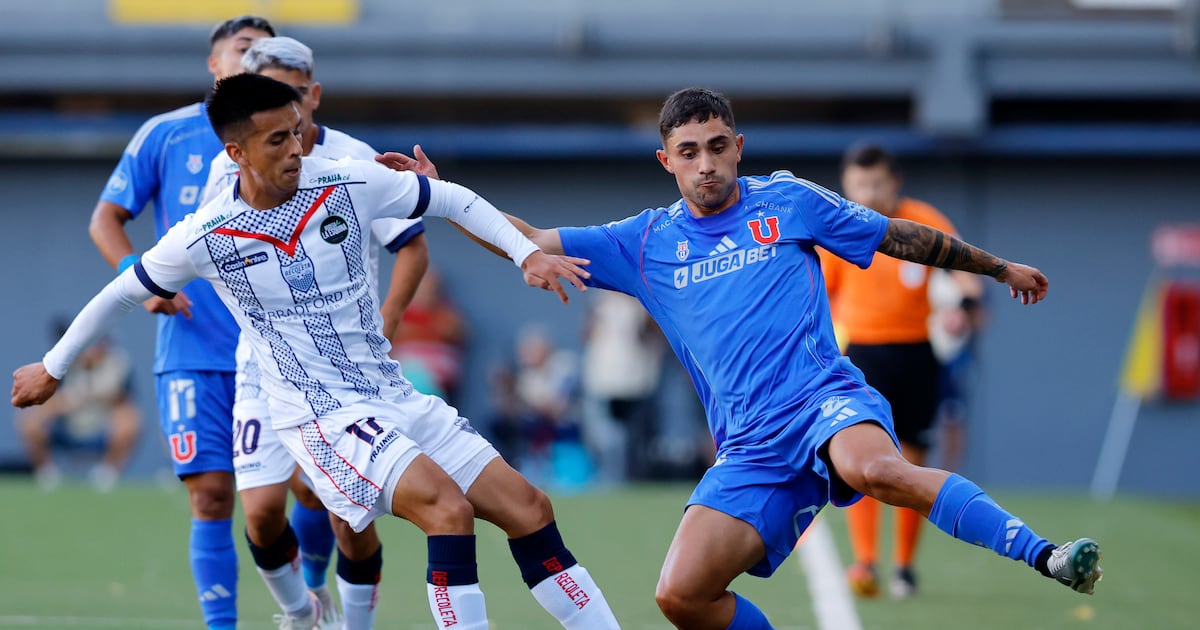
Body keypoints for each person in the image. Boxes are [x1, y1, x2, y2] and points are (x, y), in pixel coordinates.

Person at [383, 87, 1102, 629]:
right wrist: (442, 199)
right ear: (666, 161)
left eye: (718, 145)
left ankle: (1046, 555)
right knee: (681, 595)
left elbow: (898, 237)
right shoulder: (643, 242)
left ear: (738, 146)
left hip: (825, 399)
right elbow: (533, 240)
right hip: (749, 446)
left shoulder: (788, 200)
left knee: (874, 467)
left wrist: (998, 267)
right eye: (689, 151)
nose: (706, 162)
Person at [13, 73, 620, 630]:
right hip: (322, 417)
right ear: (236, 154)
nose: (296, 150)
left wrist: (527, 253)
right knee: (446, 510)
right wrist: (52, 367)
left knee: (529, 506)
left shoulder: (347, 181)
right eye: (276, 140)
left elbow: (452, 200)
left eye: (298, 132)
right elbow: (117, 295)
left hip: (392, 393)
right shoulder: (203, 235)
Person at [199, 36, 432, 628]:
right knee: (261, 512)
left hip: (342, 372)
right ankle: (302, 612)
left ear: (314, 95)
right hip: (265, 365)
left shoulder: (353, 161)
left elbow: (412, 247)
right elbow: (199, 245)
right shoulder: (226, 168)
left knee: (345, 513)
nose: (291, 125)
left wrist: (386, 321)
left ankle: (353, 622)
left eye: (297, 97)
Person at [86, 16, 275, 630]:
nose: (253, 60)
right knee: (212, 496)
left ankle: (309, 612)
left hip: (280, 352)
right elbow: (106, 218)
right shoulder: (166, 134)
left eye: (264, 53)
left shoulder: (289, 136)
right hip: (195, 348)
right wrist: (141, 281)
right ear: (214, 61)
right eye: (243, 49)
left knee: (295, 499)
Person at [818, 142, 984, 599]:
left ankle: (904, 567)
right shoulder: (843, 227)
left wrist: (964, 307)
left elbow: (963, 272)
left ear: (894, 182)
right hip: (862, 355)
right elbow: (820, 290)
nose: (866, 194)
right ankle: (864, 561)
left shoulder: (923, 221)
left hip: (916, 353)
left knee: (912, 459)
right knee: (859, 458)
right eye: (857, 185)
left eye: (875, 184)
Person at [15, 322, 140, 492]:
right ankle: (47, 473)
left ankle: (106, 474)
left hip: (102, 428)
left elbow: (123, 403)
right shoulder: (64, 364)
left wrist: (96, 398)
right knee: (29, 421)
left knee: (130, 420)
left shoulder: (119, 364)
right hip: (67, 427)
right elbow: (51, 401)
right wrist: (65, 402)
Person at [389, 267, 467, 403]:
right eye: (422, 287)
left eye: (431, 287)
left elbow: (459, 332)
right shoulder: (400, 313)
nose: (427, 292)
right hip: (406, 371)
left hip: (437, 375)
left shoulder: (445, 313)